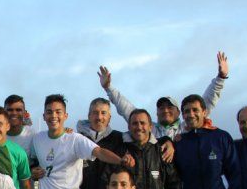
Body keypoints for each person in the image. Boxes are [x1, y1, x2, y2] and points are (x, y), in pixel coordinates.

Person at [30, 94, 131, 189]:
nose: (53, 116)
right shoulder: (37, 139)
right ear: (44, 116)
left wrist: (121, 160)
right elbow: (31, 161)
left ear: (65, 116)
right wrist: (32, 169)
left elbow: (99, 151)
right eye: (49, 112)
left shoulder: (75, 139)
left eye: (58, 112)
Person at [98, 52, 229, 140]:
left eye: (170, 107)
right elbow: (126, 108)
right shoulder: (150, 130)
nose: (165, 110)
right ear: (156, 113)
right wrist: (108, 88)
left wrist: (221, 78)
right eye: (161, 108)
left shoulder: (186, 129)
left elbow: (205, 103)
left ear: (179, 113)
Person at [75, 98, 125, 189]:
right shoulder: (77, 139)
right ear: (89, 116)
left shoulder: (120, 139)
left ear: (110, 117)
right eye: (95, 113)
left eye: (103, 113)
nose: (99, 117)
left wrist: (167, 140)